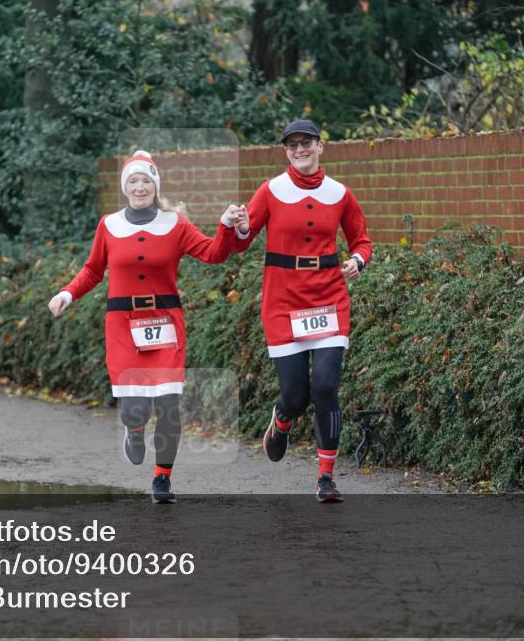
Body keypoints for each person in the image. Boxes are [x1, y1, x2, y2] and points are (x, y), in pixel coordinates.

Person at [48, 150, 246, 503]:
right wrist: (67, 292)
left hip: (166, 322)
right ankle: (134, 429)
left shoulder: (175, 224)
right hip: (122, 324)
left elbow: (215, 253)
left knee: (168, 404)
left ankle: (162, 478)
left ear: (156, 185)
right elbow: (94, 270)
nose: (140, 187)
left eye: (146, 181)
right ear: (126, 188)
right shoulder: (109, 225)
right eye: (134, 181)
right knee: (135, 407)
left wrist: (226, 226)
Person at [233, 120, 373, 503]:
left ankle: (326, 476)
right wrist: (241, 226)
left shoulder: (340, 193)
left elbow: (361, 240)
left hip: (328, 296)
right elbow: (243, 238)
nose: (300, 149)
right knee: (295, 394)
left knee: (326, 387)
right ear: (286, 152)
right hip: (283, 301)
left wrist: (358, 261)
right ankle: (280, 423)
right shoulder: (271, 190)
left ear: (320, 146)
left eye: (306, 142)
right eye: (292, 145)